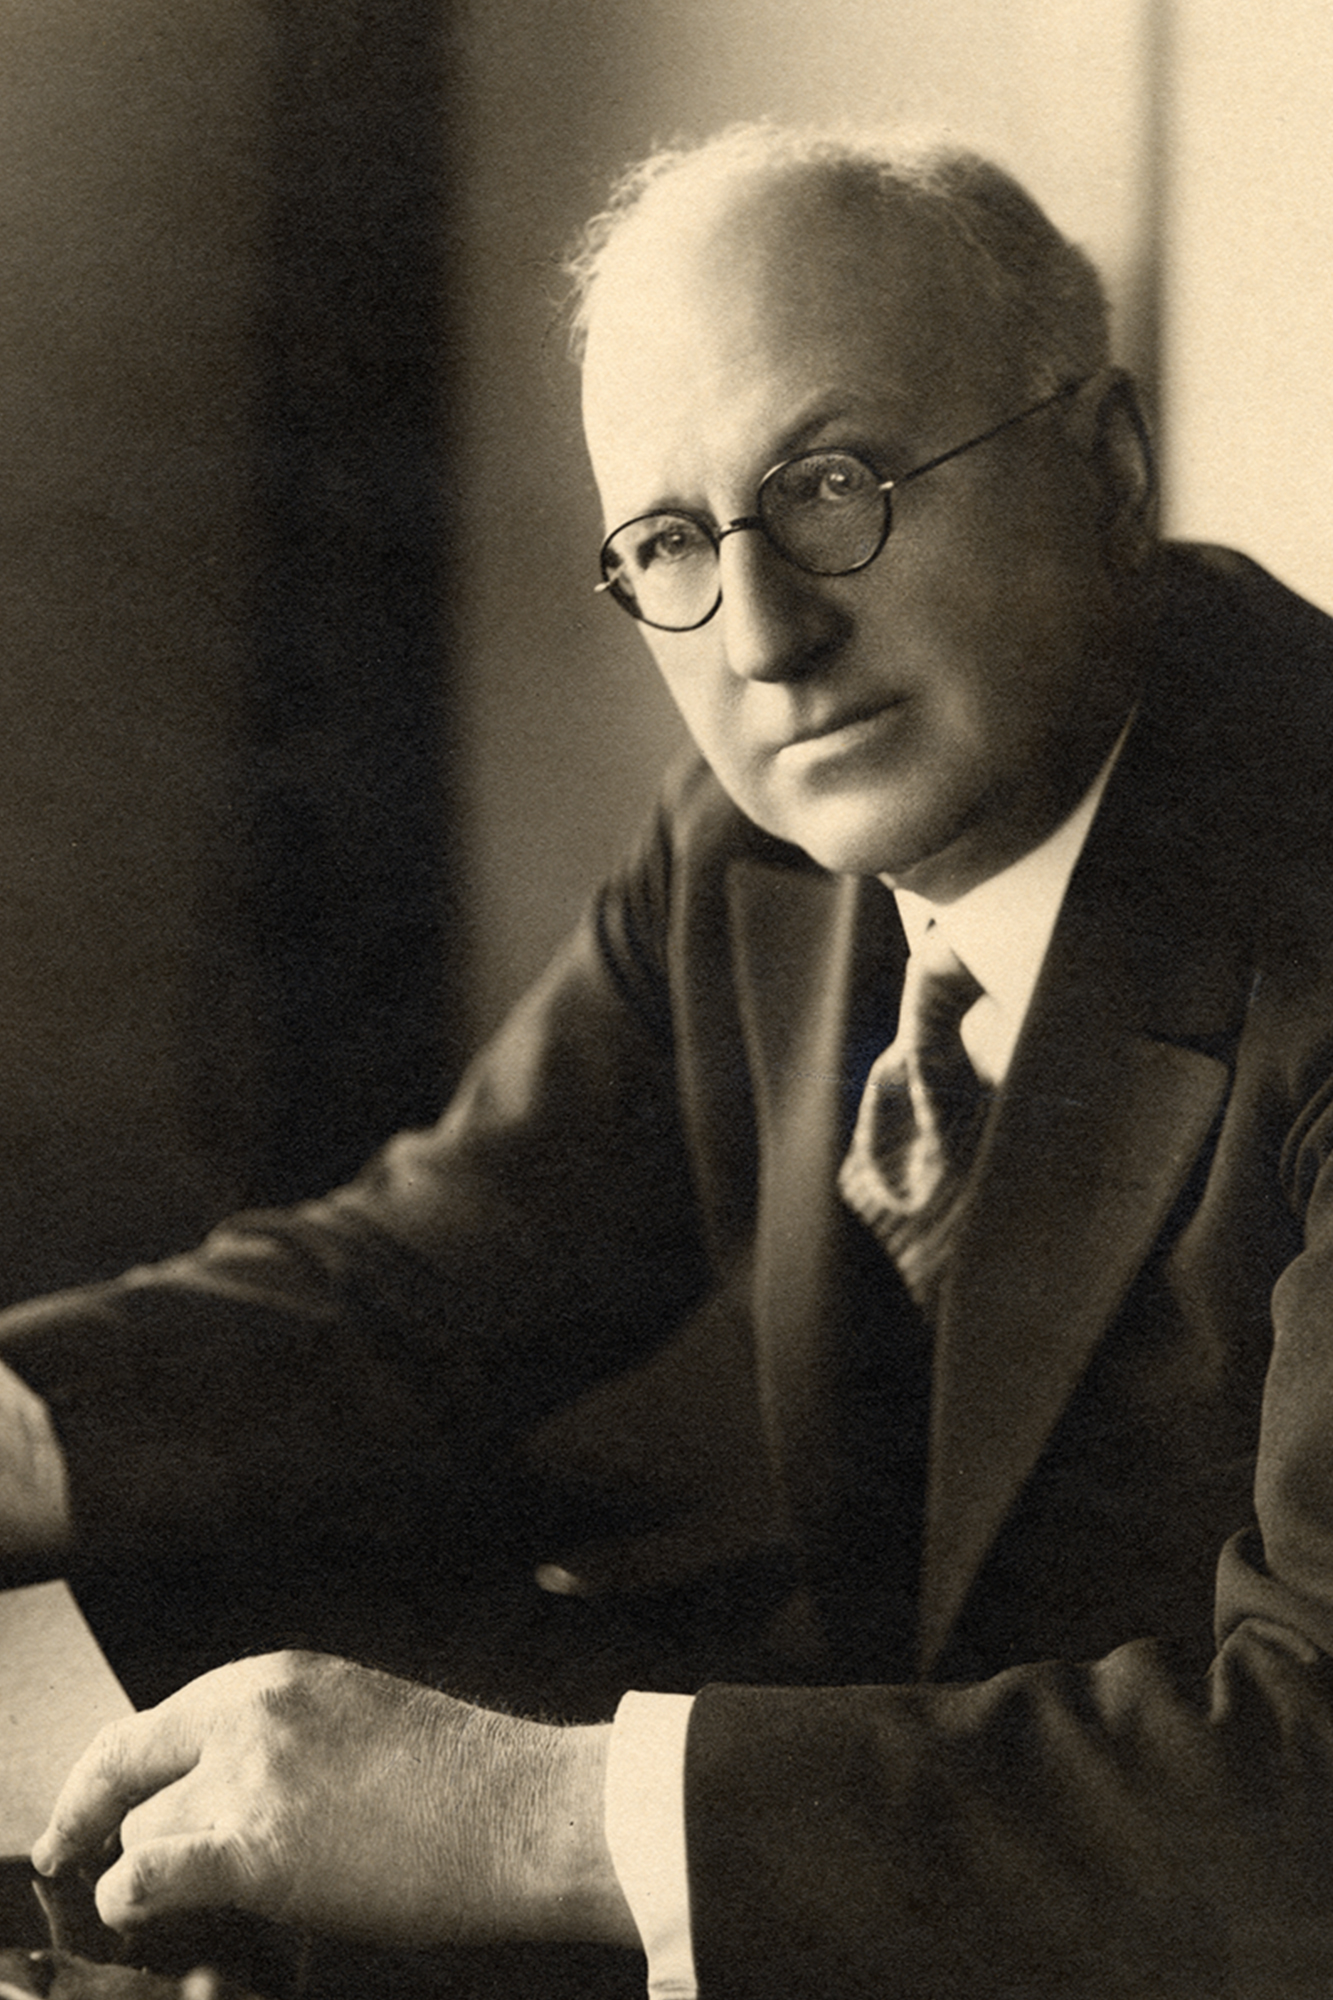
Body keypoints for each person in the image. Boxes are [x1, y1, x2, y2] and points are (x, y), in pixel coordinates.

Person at [5, 119, 1333, 1998]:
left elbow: (1309, 1780)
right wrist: (16, 1430)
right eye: (667, 541)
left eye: (834, 484)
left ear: (1104, 463)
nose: (766, 634)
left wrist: (522, 1817)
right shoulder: (756, 850)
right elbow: (431, 1275)